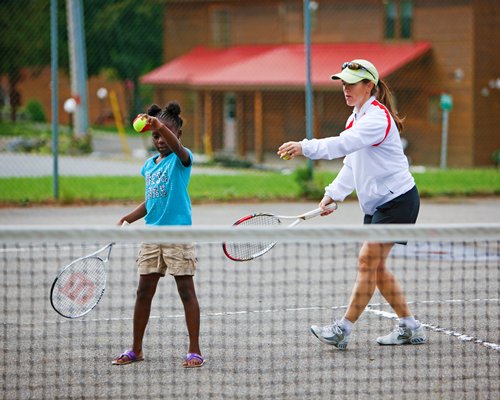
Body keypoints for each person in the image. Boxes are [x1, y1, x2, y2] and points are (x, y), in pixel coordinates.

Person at [277, 59, 426, 349]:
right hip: (379, 206)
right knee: (377, 268)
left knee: (366, 261)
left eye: (351, 84)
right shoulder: (355, 118)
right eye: (343, 83)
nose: (345, 89)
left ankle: (342, 330)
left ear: (369, 86)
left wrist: (303, 147)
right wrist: (333, 193)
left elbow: (341, 145)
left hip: (398, 201)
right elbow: (351, 162)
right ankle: (410, 327)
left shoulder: (376, 119)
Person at [112, 101, 205, 367]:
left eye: (165, 134)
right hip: (151, 236)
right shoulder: (149, 166)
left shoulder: (181, 159)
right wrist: (128, 218)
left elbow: (174, 145)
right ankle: (136, 349)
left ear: (177, 135)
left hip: (177, 236)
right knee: (143, 292)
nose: (160, 139)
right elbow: (151, 201)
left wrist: (159, 125)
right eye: (155, 135)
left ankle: (195, 350)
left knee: (186, 291)